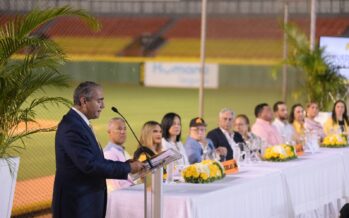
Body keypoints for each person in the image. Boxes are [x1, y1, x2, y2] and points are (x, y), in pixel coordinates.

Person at [52, 81, 144, 218]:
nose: (103, 106)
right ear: (84, 101)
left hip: (86, 203)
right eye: (99, 101)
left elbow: (94, 161)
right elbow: (90, 165)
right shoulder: (72, 126)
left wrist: (127, 165)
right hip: (77, 206)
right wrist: (127, 168)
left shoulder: (79, 123)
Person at [103, 117, 133, 192]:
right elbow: (117, 185)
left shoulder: (121, 150)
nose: (123, 132)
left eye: (125, 129)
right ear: (109, 132)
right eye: (119, 129)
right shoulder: (109, 154)